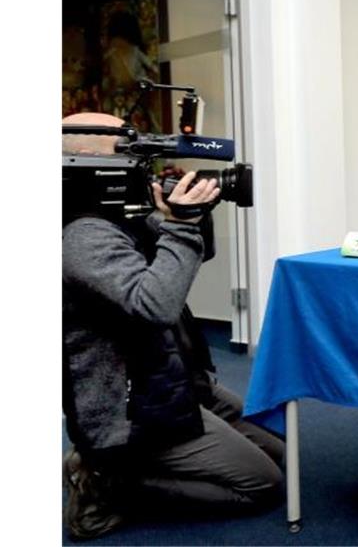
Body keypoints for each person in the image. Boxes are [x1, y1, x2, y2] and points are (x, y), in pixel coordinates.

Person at [62, 112, 284, 539]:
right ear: (88, 161)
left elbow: (193, 257)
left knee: (277, 449)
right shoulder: (84, 235)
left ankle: (137, 460)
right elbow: (155, 305)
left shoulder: (116, 214)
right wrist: (180, 225)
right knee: (263, 483)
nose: (139, 159)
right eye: (126, 149)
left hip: (169, 376)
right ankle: (108, 479)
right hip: (132, 408)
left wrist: (190, 215)